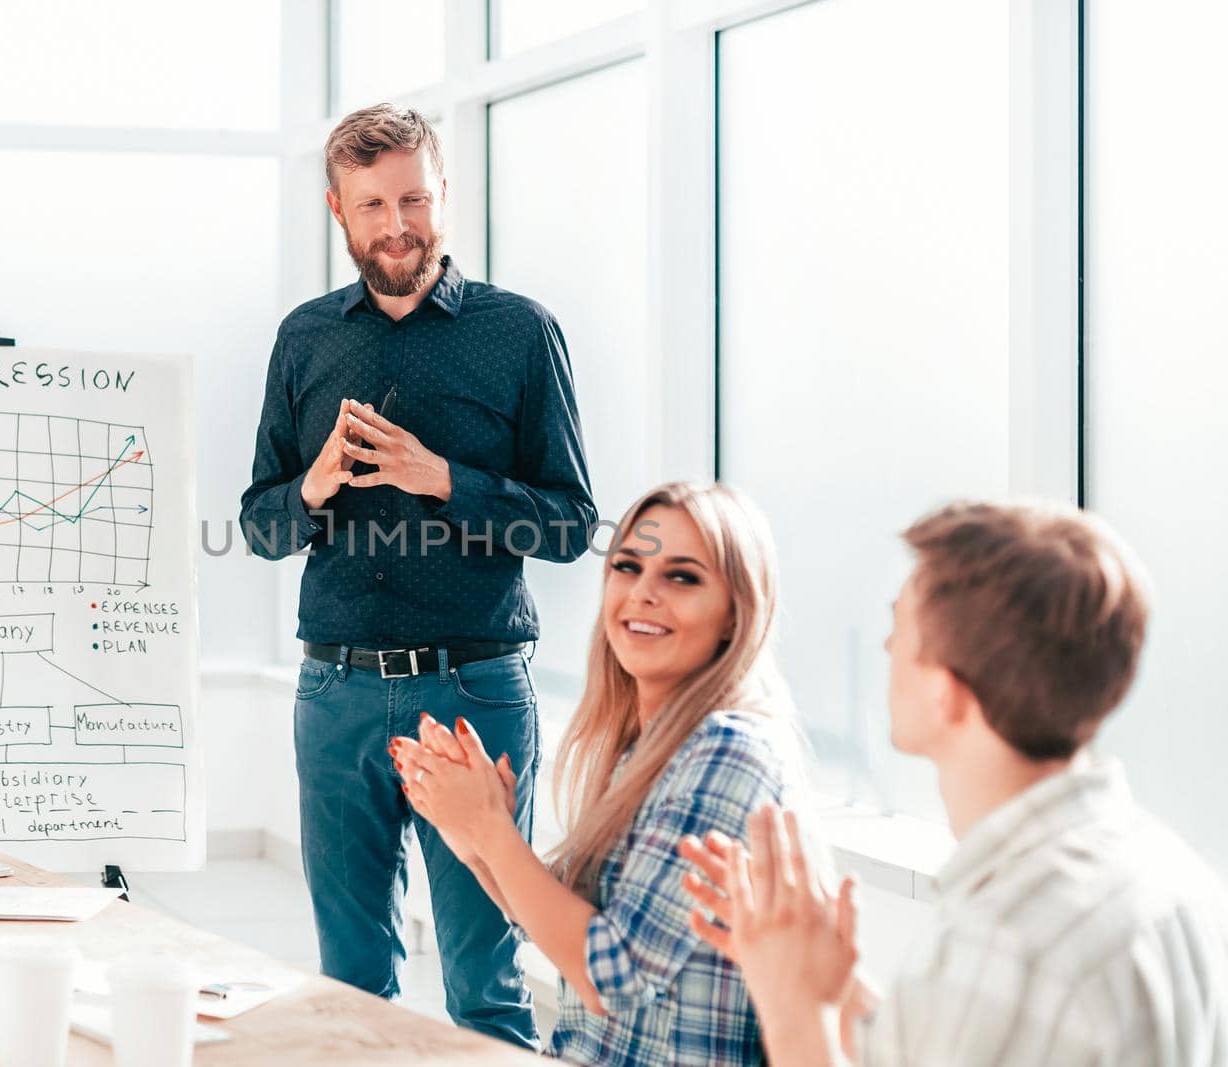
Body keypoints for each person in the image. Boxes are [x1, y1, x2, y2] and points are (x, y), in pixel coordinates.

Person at [237, 103, 596, 1048]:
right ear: (336, 211)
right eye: (372, 205)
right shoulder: (305, 340)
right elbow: (258, 525)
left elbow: (570, 525)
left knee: (485, 985)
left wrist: (440, 480)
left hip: (473, 689)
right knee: (350, 984)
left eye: (414, 199)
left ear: (443, 197)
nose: (397, 225)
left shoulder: (520, 333)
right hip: (336, 693)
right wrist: (311, 487)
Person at [680, 500, 1228, 1066]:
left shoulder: (1007, 946)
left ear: (947, 696)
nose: (887, 648)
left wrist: (791, 1010)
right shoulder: (1170, 873)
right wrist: (819, 981)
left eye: (899, 627)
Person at [394, 482, 811, 1065]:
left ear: (735, 614)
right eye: (627, 566)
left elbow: (612, 977)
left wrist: (493, 830)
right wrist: (469, 834)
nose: (643, 594)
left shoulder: (727, 751)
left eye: (682, 577)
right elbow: (554, 914)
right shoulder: (647, 748)